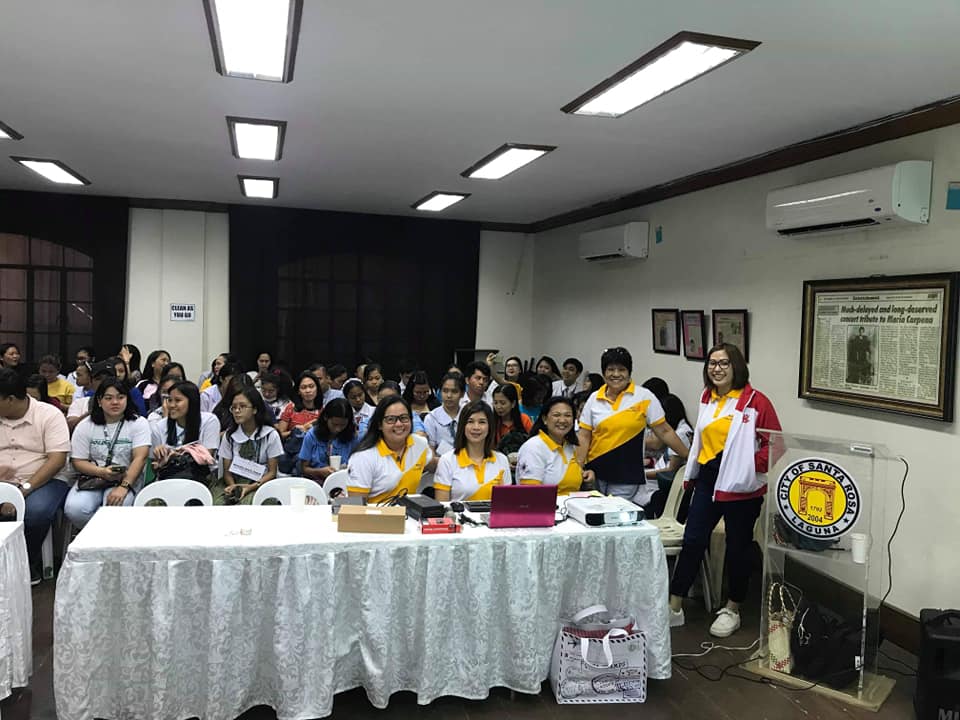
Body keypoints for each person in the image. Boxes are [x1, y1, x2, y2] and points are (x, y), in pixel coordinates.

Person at [668, 344, 781, 638]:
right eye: (712, 363)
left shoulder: (756, 401)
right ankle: (674, 604)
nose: (716, 369)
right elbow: (701, 441)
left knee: (738, 547)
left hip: (741, 487)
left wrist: (748, 467)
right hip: (708, 478)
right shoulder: (708, 397)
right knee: (693, 539)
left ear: (737, 367)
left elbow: (776, 445)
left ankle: (732, 607)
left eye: (724, 363)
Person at [577, 347, 689, 512]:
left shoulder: (644, 396)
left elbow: (664, 431)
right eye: (611, 369)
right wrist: (579, 467)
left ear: (629, 372)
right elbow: (584, 436)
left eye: (621, 370)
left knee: (614, 515)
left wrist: (688, 456)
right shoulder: (594, 398)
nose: (616, 374)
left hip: (626, 474)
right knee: (594, 514)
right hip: (596, 471)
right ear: (604, 372)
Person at [0, 368, 71, 583]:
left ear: (10, 399)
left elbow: (56, 460)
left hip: (44, 479)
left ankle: (26, 564)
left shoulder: (49, 415)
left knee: (35, 512)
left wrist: (22, 491)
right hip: (3, 481)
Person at [64, 378, 151, 527]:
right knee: (75, 509)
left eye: (120, 397)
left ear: (127, 399)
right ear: (99, 401)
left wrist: (123, 487)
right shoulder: (86, 425)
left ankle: (105, 537)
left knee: (115, 508)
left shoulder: (138, 423)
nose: (115, 402)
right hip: (94, 477)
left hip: (126, 478)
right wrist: (102, 472)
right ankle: (97, 537)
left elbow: (140, 458)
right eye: (108, 398)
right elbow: (78, 461)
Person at [346, 396, 431, 502]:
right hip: (376, 511)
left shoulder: (419, 444)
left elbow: (435, 464)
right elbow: (355, 506)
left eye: (404, 418)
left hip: (410, 510)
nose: (399, 424)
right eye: (391, 419)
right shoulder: (363, 457)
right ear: (379, 425)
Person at [434, 401, 511, 501]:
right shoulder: (447, 461)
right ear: (463, 426)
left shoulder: (502, 460)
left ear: (490, 427)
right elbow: (442, 505)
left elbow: (506, 504)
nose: (476, 427)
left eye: (482, 422)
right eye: (470, 422)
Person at [219, 387, 283, 505]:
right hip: (235, 483)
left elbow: (272, 472)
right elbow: (227, 473)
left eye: (242, 406)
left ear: (254, 409)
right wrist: (235, 488)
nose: (237, 411)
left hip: (261, 484)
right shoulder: (229, 436)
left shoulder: (270, 435)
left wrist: (250, 487)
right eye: (234, 407)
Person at [515, 396, 590, 495]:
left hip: (573, 502)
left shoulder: (570, 446)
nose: (562, 420)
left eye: (567, 415)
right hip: (545, 504)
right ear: (545, 419)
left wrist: (585, 476)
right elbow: (529, 493)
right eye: (556, 415)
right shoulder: (533, 448)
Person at [150, 381, 220, 485]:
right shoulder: (159, 427)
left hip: (201, 480)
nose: (171, 405)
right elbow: (154, 468)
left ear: (192, 401)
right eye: (169, 400)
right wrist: (160, 458)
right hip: (168, 482)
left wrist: (173, 456)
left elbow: (206, 457)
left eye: (177, 400)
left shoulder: (209, 421)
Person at [643, 394, 694, 518]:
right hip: (655, 475)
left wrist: (643, 474)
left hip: (660, 484)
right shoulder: (678, 429)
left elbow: (670, 470)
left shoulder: (682, 434)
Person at [299, 398, 358, 484]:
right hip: (316, 483)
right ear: (326, 418)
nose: (338, 429)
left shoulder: (352, 436)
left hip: (344, 483)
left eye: (343, 425)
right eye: (334, 424)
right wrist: (319, 472)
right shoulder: (312, 435)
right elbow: (304, 469)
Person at [277, 372, 322, 473]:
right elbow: (279, 435)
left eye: (311, 386)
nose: (308, 390)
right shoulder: (291, 408)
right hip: (290, 452)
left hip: (312, 453)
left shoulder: (323, 411)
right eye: (303, 387)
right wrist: (297, 430)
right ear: (298, 391)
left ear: (317, 389)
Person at [424, 372, 464, 464]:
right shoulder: (431, 418)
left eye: (454, 391)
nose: (449, 396)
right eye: (445, 391)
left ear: (462, 394)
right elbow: (430, 451)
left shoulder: (468, 416)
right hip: (440, 465)